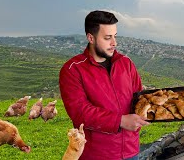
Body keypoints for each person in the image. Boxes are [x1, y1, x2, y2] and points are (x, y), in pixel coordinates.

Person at [59, 10, 149, 160]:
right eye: (107, 38)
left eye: (115, 36)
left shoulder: (125, 63)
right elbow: (80, 112)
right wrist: (120, 121)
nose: (114, 43)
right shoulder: (73, 69)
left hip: (131, 152)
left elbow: (138, 98)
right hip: (97, 155)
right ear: (91, 38)